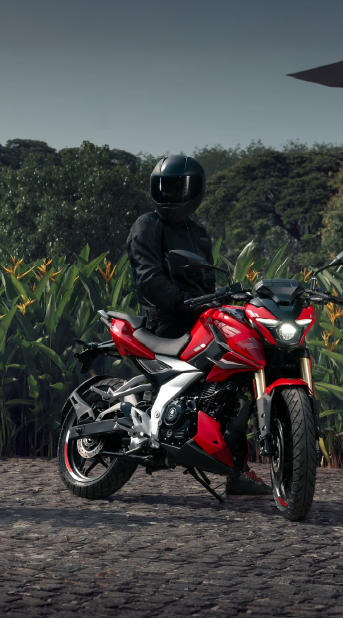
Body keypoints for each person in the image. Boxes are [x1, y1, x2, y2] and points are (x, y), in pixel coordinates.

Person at [127, 154, 269, 498]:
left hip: (200, 317)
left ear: (194, 191)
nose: (170, 195)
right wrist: (180, 301)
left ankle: (234, 467)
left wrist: (223, 298)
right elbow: (147, 277)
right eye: (164, 187)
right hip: (168, 319)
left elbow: (205, 277)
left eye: (178, 188)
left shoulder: (198, 233)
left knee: (241, 376)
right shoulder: (148, 225)